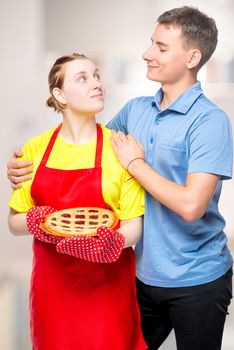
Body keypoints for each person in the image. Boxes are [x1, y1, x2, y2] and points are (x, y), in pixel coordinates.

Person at [7, 6, 233, 350]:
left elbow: (191, 206)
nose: (147, 54)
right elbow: (88, 149)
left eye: (160, 47)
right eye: (150, 44)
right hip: (141, 277)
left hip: (196, 280)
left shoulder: (210, 122)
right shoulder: (136, 110)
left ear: (192, 57)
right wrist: (23, 166)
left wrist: (137, 164)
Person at [7, 53, 147, 350]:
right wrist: (37, 221)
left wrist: (110, 244)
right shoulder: (35, 148)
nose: (97, 84)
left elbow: (135, 223)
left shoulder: (119, 148)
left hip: (107, 290)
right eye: (83, 78)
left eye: (97, 76)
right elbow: (14, 222)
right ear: (59, 94)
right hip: (53, 291)